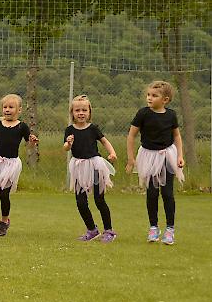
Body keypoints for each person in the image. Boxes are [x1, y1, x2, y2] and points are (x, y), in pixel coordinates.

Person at [126, 81, 185, 245]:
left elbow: (177, 136)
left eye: (154, 95)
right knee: (152, 193)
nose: (150, 98)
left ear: (165, 99)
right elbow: (131, 136)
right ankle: (153, 227)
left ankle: (170, 229)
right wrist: (131, 159)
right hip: (149, 157)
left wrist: (180, 156)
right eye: (148, 95)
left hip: (167, 156)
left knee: (167, 193)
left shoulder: (171, 115)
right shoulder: (143, 114)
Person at [0, 94, 38, 236]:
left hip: (11, 164)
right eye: (5, 107)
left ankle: (4, 222)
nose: (7, 110)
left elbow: (28, 145)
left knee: (4, 194)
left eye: (11, 107)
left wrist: (32, 141)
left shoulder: (22, 127)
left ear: (19, 110)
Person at [63, 95, 118, 243]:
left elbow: (105, 141)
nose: (81, 113)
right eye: (77, 110)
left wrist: (112, 153)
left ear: (89, 112)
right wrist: (68, 143)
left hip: (95, 165)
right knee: (81, 201)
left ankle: (109, 231)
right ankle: (92, 230)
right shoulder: (69, 130)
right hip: (79, 167)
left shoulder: (93, 128)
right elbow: (65, 148)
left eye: (84, 110)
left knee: (99, 199)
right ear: (72, 113)